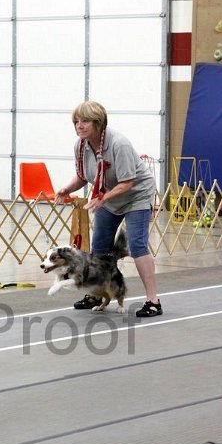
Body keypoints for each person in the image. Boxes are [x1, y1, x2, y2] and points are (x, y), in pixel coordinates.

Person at [55, 101, 162, 317]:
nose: (79, 125)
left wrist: (103, 199)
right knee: (99, 247)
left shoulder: (118, 144)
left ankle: (153, 301)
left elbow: (128, 182)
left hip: (135, 195)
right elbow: (84, 176)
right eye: (76, 121)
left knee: (136, 244)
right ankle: (96, 293)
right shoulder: (81, 145)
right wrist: (67, 188)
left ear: (98, 123)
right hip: (107, 196)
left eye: (84, 121)